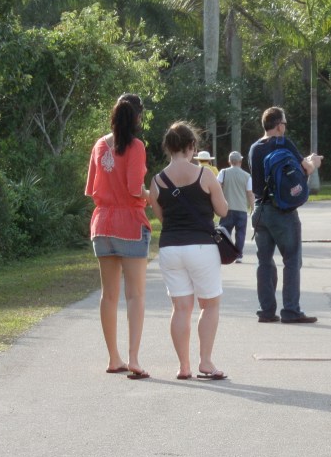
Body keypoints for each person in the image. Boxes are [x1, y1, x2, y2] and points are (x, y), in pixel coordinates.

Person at [150, 122, 230, 380]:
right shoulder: (204, 175)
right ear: (191, 146)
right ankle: (205, 362)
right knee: (209, 305)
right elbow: (223, 211)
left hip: (171, 248)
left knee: (181, 307)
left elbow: (161, 217)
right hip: (201, 247)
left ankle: (183, 366)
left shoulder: (157, 181)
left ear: (168, 147)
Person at [85, 93, 152, 380]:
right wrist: (152, 196)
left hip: (102, 223)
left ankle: (114, 358)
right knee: (135, 295)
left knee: (108, 295)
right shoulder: (136, 147)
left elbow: (91, 189)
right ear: (137, 117)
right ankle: (134, 358)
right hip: (130, 223)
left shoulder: (100, 145)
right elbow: (136, 188)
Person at [248, 106, 322, 324]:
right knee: (291, 260)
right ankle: (291, 310)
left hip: (260, 210)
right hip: (282, 212)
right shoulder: (283, 143)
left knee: (264, 261)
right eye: (285, 124)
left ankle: (267, 311)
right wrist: (314, 162)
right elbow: (305, 169)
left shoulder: (254, 148)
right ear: (279, 125)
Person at [217, 151, 254, 262]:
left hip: (226, 208)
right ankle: (238, 255)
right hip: (241, 209)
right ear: (240, 161)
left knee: (224, 233)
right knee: (240, 233)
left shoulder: (223, 172)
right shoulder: (247, 176)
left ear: (229, 161)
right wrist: (253, 208)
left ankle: (224, 254)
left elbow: (217, 187)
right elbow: (250, 193)